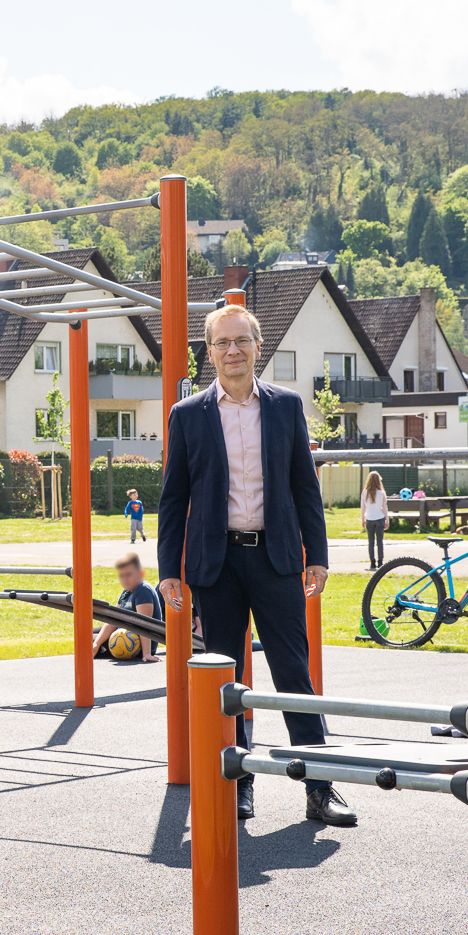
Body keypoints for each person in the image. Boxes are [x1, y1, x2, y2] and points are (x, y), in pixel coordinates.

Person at [157, 302, 356, 829]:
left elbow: (304, 488)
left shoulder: (287, 407)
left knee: (294, 673)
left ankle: (319, 786)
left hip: (277, 559)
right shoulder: (188, 415)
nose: (232, 351)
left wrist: (319, 556)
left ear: (257, 347)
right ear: (210, 352)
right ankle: (237, 784)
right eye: (222, 343)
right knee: (227, 679)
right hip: (215, 566)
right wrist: (167, 569)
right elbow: (173, 497)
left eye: (241, 341)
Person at [92, 552, 163, 663]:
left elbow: (144, 623)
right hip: (122, 632)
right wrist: (96, 644)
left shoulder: (143, 590)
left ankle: (98, 649)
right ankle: (97, 648)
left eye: (128, 574)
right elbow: (113, 619)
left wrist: (147, 653)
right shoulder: (126, 592)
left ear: (141, 574)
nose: (124, 579)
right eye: (121, 575)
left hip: (134, 642)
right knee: (86, 635)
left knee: (86, 643)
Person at [362, 470, 389, 570]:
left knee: (371, 542)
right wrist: (387, 520)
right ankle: (380, 562)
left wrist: (363, 520)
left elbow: (363, 508)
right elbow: (384, 508)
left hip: (369, 518)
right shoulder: (381, 493)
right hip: (380, 518)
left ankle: (372, 562)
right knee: (379, 541)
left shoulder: (365, 493)